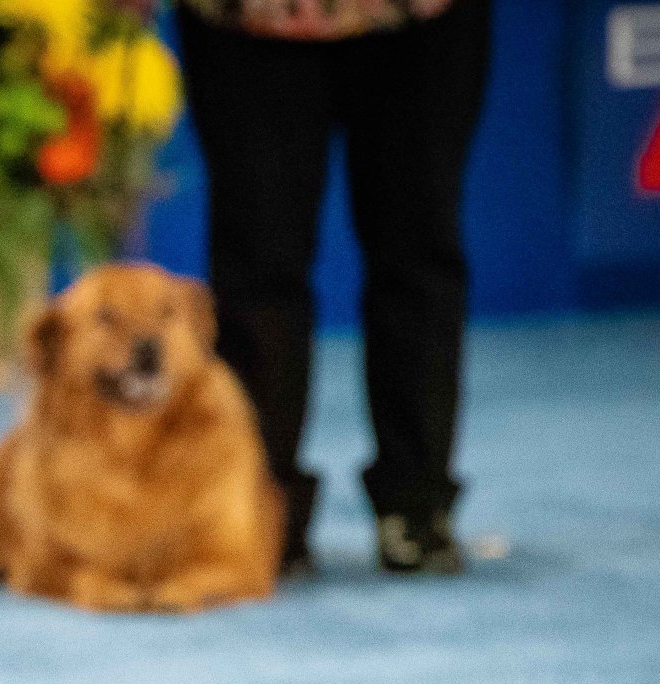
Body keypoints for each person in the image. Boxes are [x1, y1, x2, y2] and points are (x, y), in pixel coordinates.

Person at [175, 0, 491, 576]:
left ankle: (416, 506)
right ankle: (259, 509)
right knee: (255, 269)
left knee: (418, 251)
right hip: (246, 22)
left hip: (420, 21)